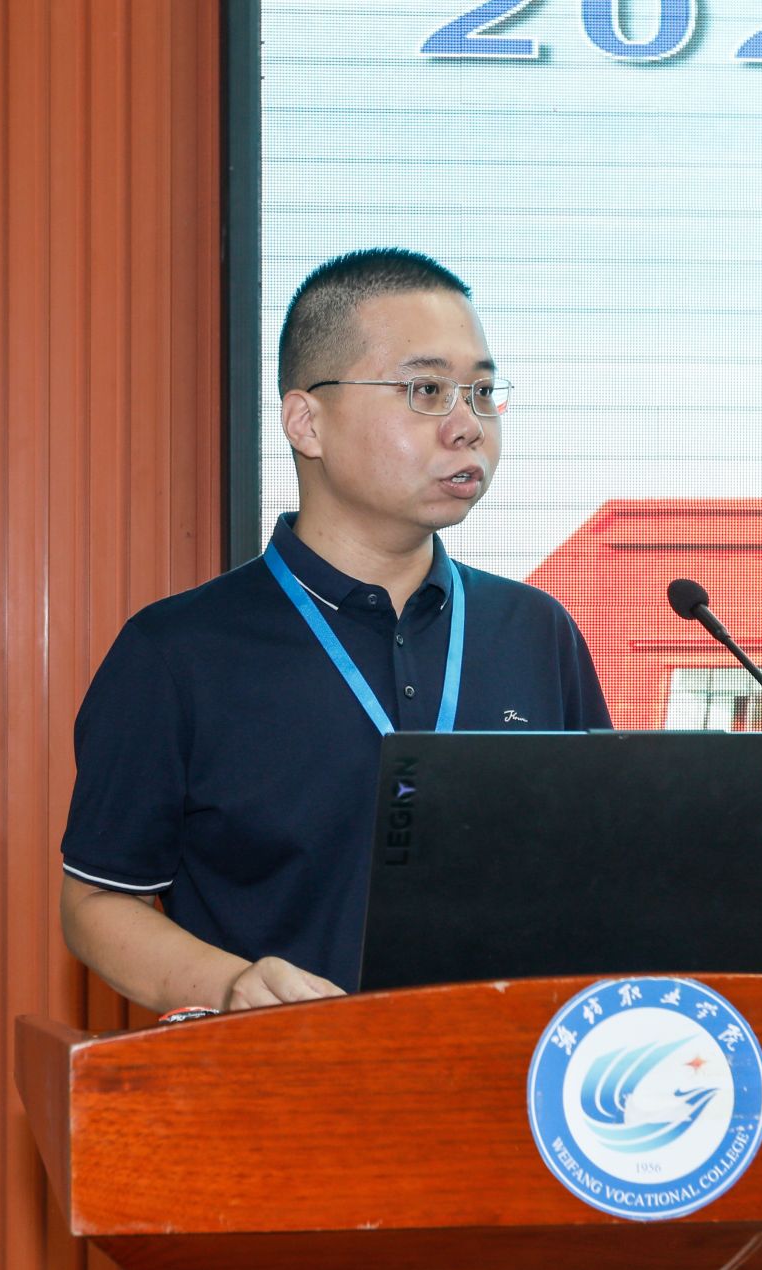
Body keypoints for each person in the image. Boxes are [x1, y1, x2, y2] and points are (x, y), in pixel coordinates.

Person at [58, 249, 611, 1014]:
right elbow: (97, 902)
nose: (468, 427)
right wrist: (231, 986)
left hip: (510, 1073)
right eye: (426, 390)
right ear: (306, 421)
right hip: (281, 1075)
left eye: (483, 392)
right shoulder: (177, 654)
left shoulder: (537, 633)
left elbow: (601, 874)